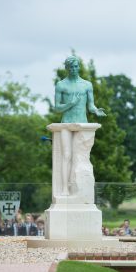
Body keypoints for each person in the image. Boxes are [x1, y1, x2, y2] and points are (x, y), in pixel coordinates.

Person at [55, 56, 106, 195]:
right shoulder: (61, 85)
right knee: (66, 155)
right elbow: (57, 108)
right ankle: (65, 188)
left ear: (79, 67)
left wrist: (96, 110)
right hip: (66, 122)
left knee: (81, 156)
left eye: (76, 66)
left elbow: (90, 105)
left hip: (82, 123)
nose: (73, 69)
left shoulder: (87, 84)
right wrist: (70, 103)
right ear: (67, 68)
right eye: (70, 67)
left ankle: (80, 187)